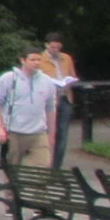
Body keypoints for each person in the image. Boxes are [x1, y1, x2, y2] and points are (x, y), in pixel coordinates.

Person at [0, 46, 60, 168]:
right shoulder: (8, 79)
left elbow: (50, 108)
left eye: (39, 60)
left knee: (43, 165)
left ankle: (26, 180)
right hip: (14, 132)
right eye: (32, 60)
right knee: (12, 168)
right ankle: (14, 185)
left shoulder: (47, 81)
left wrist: (52, 133)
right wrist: (0, 127)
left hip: (38, 132)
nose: (36, 63)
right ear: (23, 60)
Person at [34, 33, 79, 166]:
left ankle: (57, 168)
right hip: (49, 101)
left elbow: (73, 75)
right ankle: (46, 165)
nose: (55, 50)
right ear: (46, 45)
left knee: (63, 135)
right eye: (53, 47)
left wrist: (69, 81)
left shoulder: (66, 58)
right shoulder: (40, 59)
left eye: (58, 47)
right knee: (48, 134)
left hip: (65, 98)